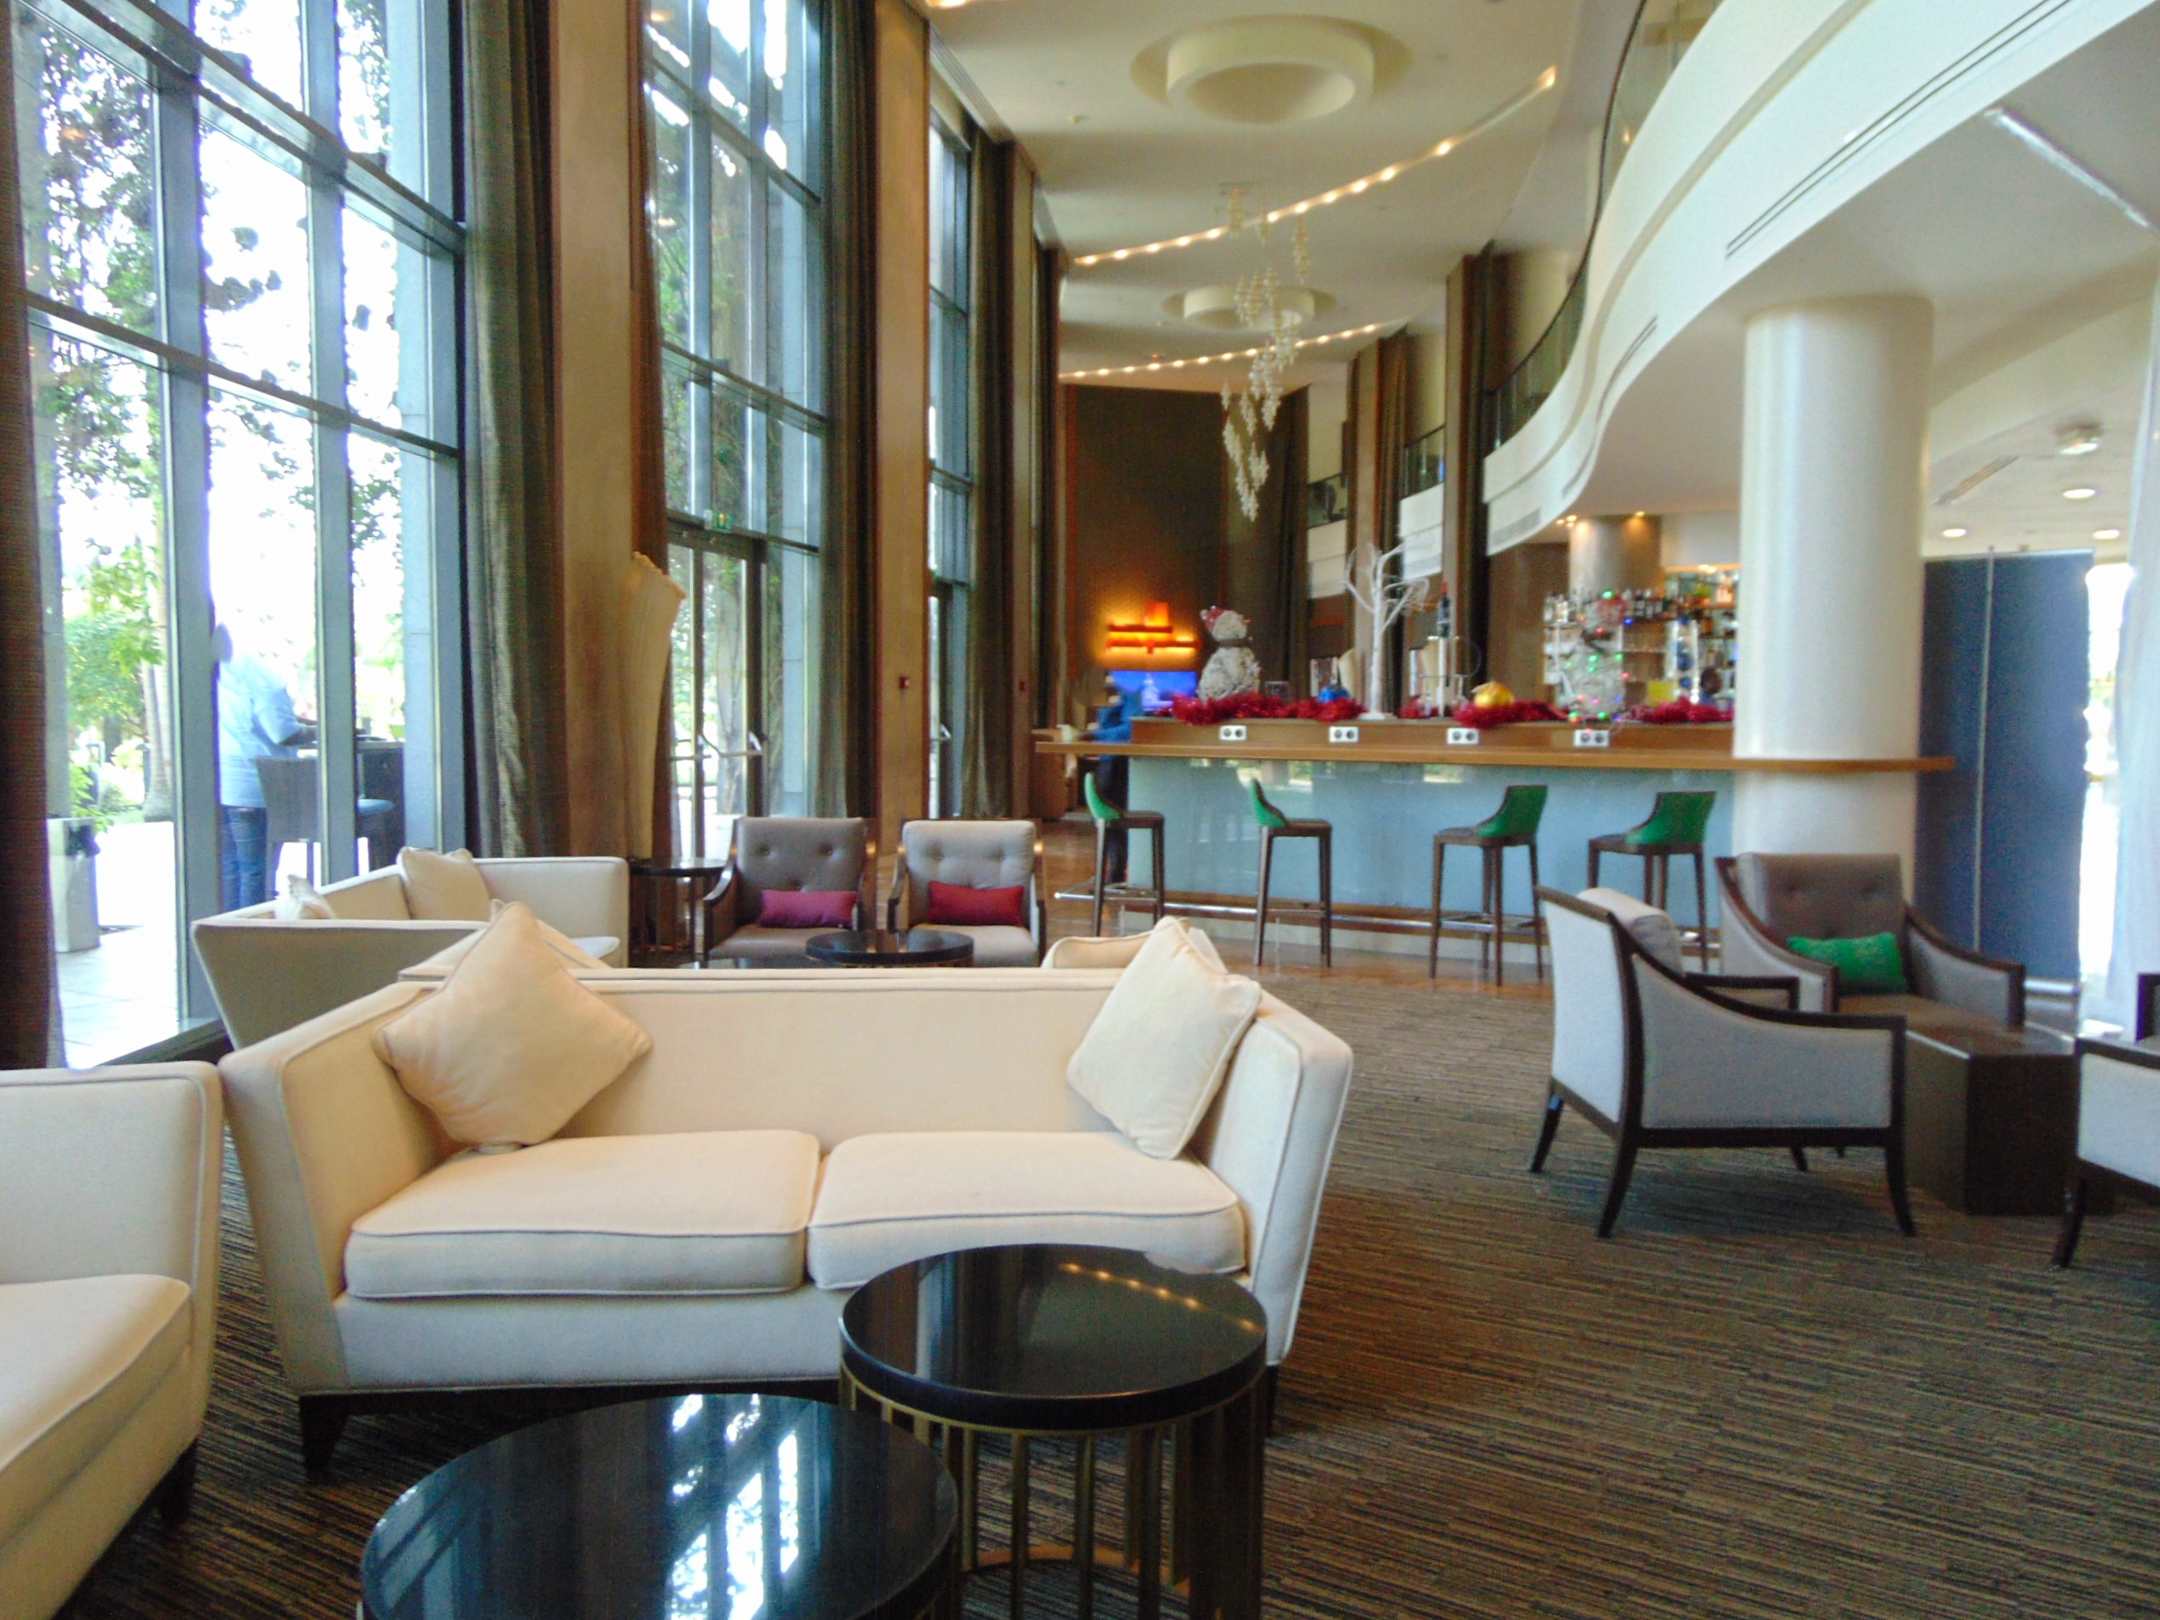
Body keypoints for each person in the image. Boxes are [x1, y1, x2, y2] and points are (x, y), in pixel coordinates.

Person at [215, 625, 314, 908]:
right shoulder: (264, 679)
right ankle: (253, 927)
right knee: (256, 870)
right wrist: (324, 729)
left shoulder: (222, 677)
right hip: (257, 786)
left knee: (231, 869)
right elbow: (282, 733)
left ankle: (229, 926)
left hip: (225, 784)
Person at [1085, 673, 1140, 884]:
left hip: (1121, 760)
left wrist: (1095, 736)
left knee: (1112, 818)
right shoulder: (1120, 692)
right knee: (1106, 817)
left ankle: (1116, 873)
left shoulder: (1135, 690)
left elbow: (1133, 729)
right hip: (1111, 757)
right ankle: (1112, 872)